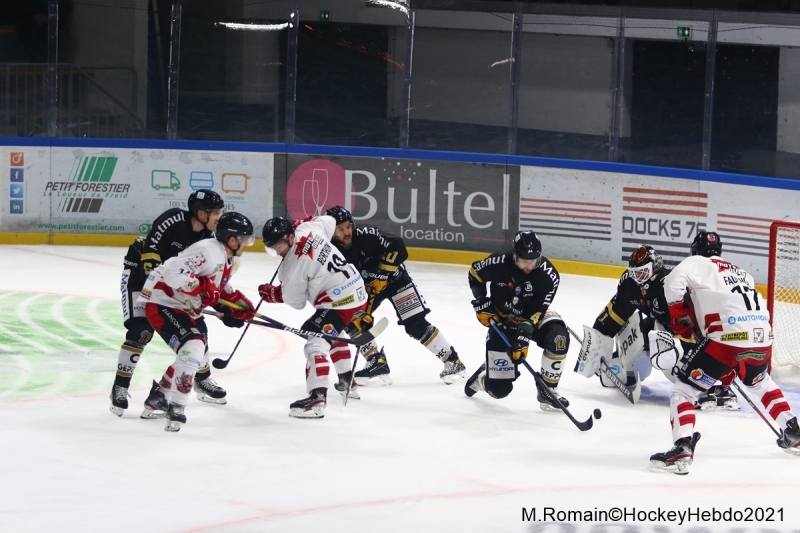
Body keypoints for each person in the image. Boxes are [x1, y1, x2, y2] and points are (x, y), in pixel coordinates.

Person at [650, 231, 800, 474]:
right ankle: (793, 430)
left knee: (683, 390)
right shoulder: (741, 271)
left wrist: (679, 319)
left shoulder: (696, 262)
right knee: (760, 383)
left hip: (727, 340)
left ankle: (682, 447)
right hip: (762, 337)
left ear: (694, 250)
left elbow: (672, 283)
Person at [574, 244, 738, 410]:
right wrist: (598, 343)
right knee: (639, 338)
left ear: (655, 267)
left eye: (643, 272)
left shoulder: (670, 285)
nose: (638, 277)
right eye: (634, 272)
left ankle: (706, 389)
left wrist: (698, 356)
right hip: (661, 323)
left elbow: (692, 327)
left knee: (666, 354)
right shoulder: (630, 284)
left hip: (692, 331)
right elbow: (615, 313)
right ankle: (628, 373)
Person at [110, 189, 227, 418]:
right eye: (213, 212)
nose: (218, 217)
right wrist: (170, 295)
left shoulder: (208, 240)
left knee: (197, 330)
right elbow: (149, 260)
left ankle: (202, 380)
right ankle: (120, 387)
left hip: (169, 284)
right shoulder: (173, 219)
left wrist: (216, 303)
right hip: (139, 276)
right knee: (140, 331)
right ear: (199, 212)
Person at [138, 212, 256, 432]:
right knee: (194, 345)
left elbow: (218, 289)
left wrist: (240, 306)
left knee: (193, 352)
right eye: (245, 239)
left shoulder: (225, 256)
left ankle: (160, 396)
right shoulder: (209, 251)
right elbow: (174, 272)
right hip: (164, 302)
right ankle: (177, 407)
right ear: (232, 240)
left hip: (182, 307)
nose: (247, 244)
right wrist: (202, 286)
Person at [325, 206, 466, 385]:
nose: (347, 232)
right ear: (331, 231)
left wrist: (383, 274)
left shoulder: (367, 235)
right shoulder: (331, 252)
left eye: (348, 226)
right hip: (367, 290)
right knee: (353, 320)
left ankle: (453, 362)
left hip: (397, 281)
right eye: (340, 229)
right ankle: (376, 362)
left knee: (416, 324)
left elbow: (399, 247)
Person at [258, 214, 370, 419]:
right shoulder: (307, 230)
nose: (277, 251)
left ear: (291, 238)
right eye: (272, 248)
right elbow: (329, 221)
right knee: (330, 333)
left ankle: (317, 397)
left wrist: (274, 294)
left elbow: (296, 302)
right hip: (357, 289)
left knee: (315, 342)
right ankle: (347, 380)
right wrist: (308, 219)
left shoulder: (292, 267)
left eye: (279, 246)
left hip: (339, 301)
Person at [464, 230, 571, 411]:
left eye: (534, 260)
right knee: (499, 391)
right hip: (503, 322)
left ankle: (548, 391)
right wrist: (481, 301)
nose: (529, 265)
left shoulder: (549, 276)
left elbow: (538, 311)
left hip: (534, 317)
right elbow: (475, 273)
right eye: (524, 261)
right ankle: (482, 378)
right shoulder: (499, 263)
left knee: (559, 339)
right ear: (515, 256)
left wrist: (523, 337)